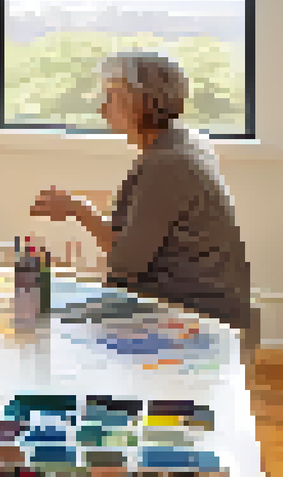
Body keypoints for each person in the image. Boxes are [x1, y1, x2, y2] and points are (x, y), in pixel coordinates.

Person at [30, 52, 256, 361]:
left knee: (42, 323)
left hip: (195, 314)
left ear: (142, 102)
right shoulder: (186, 141)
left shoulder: (166, 162)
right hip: (206, 303)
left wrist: (79, 210)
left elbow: (125, 262)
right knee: (53, 306)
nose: (101, 108)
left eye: (111, 97)